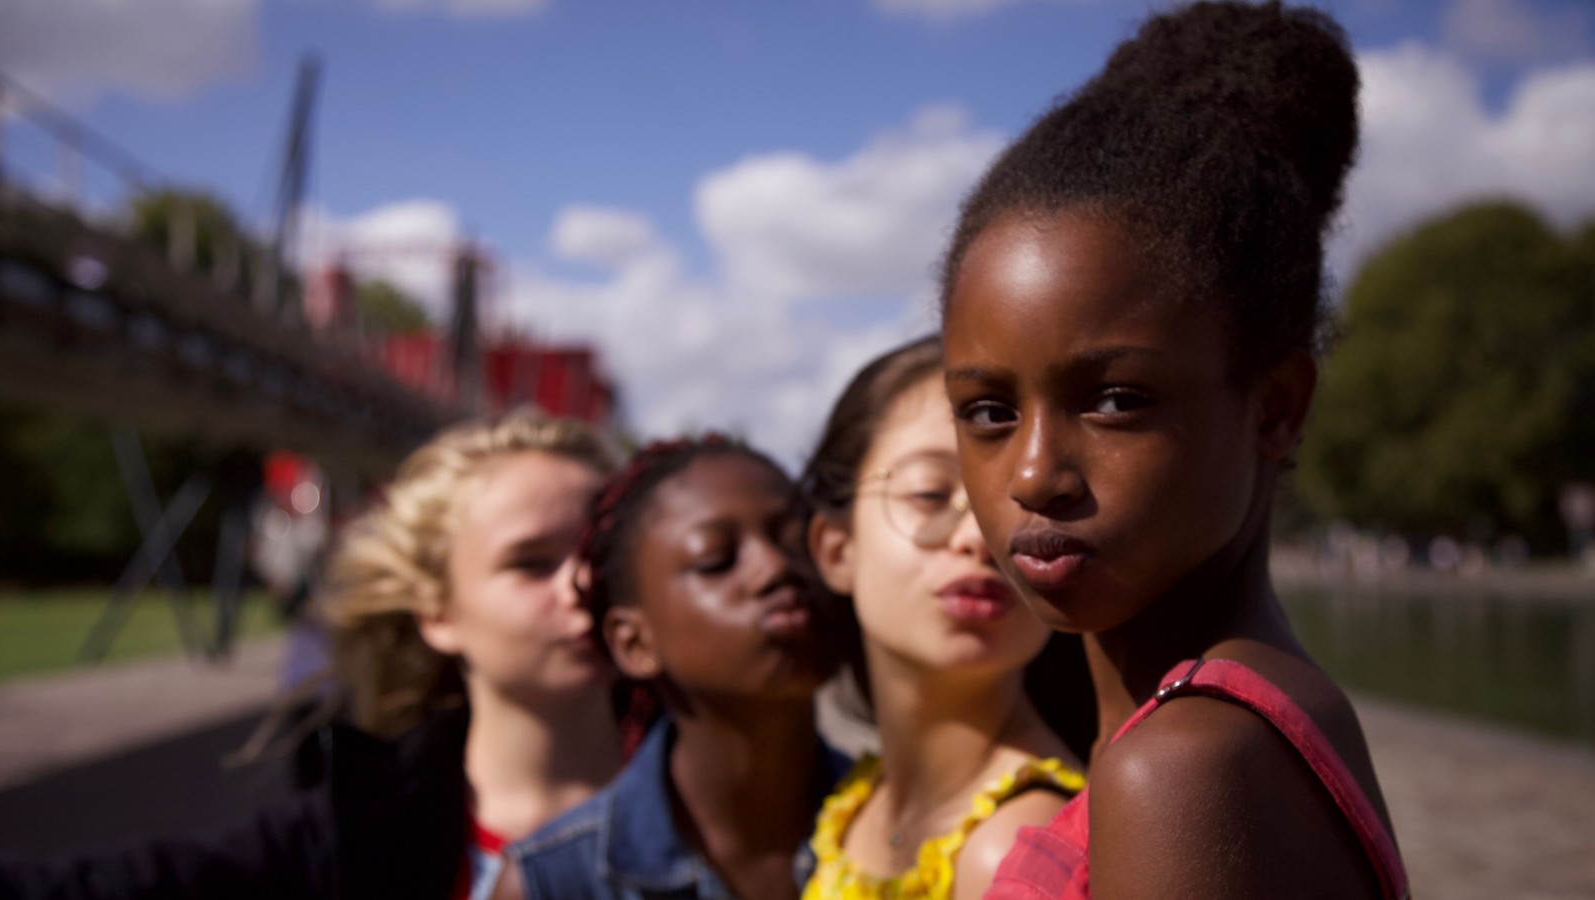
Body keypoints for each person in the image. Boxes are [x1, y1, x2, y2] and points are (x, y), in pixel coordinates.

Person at [936, 3, 1410, 898]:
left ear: (1275, 405)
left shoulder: (1187, 769)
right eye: (989, 410)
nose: (1035, 474)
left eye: (1118, 401)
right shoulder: (1210, 720)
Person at [0, 408, 623, 900]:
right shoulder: (355, 837)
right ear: (437, 612)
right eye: (531, 563)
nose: (583, 584)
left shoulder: (712, 797)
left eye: (598, 552)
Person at [798, 335, 1093, 900]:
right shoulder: (859, 798)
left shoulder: (1013, 853)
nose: (977, 539)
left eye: (1012, 505)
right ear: (836, 548)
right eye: (931, 495)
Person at [513, 435, 849, 900]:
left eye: (794, 542)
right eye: (717, 560)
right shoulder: (556, 882)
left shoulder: (911, 830)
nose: (775, 567)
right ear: (633, 643)